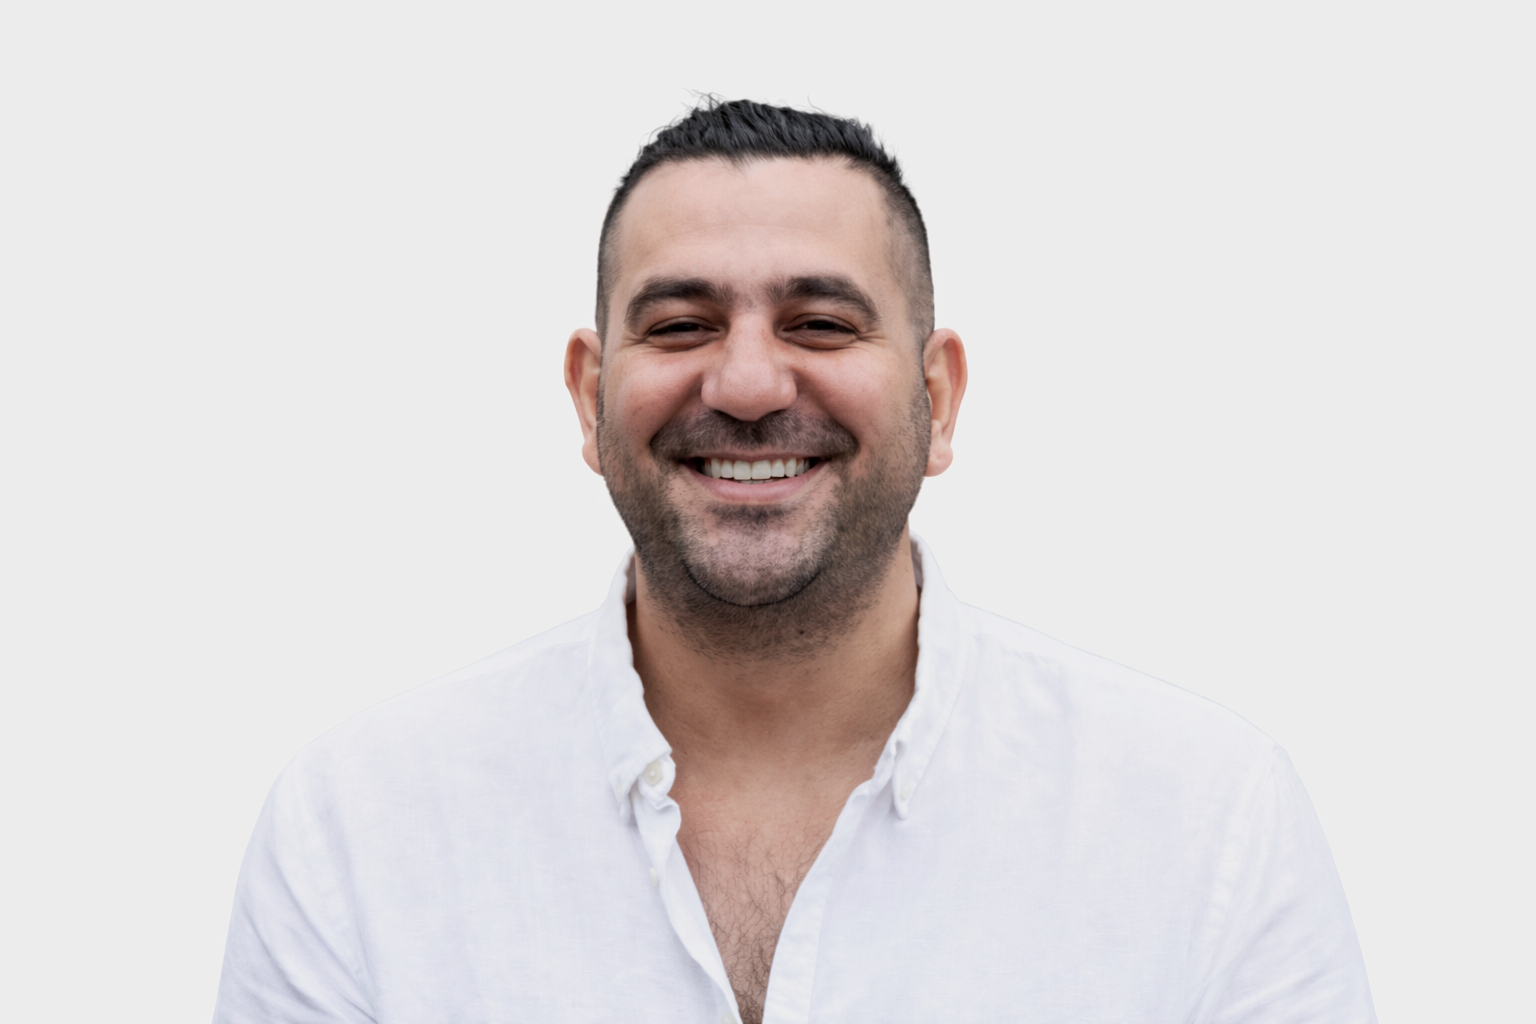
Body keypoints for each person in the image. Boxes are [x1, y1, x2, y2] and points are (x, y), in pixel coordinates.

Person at [214, 99, 1375, 1024]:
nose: (750, 384)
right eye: (680, 326)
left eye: (820, 323)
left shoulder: (1205, 827)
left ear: (936, 395)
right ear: (589, 392)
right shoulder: (359, 832)